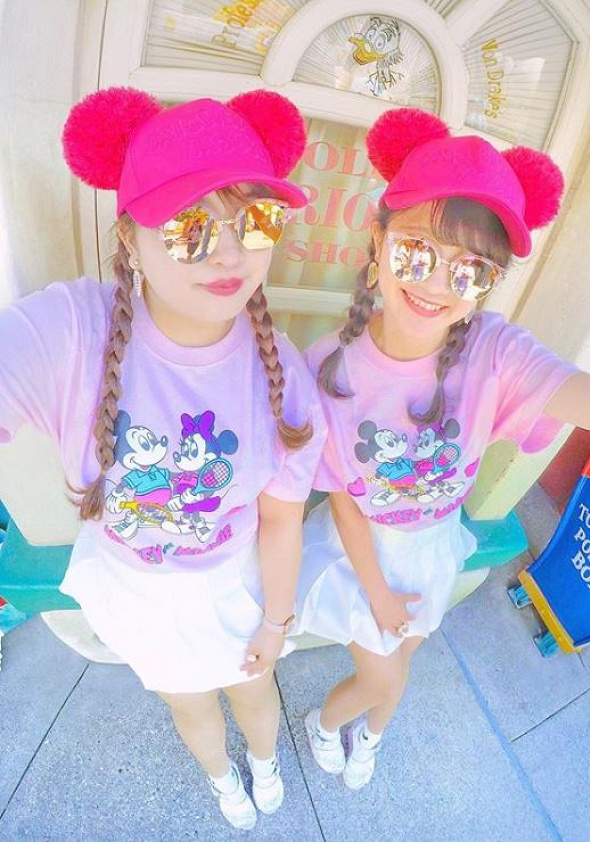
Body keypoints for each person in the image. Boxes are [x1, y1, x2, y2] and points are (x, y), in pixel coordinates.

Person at [297, 106, 590, 790]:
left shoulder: (494, 351)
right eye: (416, 252)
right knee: (381, 674)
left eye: (469, 271)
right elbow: (342, 499)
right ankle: (325, 725)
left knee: (403, 663)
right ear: (377, 240)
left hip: (434, 543)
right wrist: (378, 592)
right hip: (364, 554)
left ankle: (373, 736)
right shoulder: (327, 369)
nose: (434, 284)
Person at [0, 87, 326, 830]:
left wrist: (276, 623)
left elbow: (281, 520)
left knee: (255, 691)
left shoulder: (284, 374)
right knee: (190, 707)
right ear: (130, 235)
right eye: (188, 226)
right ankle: (223, 781)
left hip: (234, 583)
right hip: (135, 591)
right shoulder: (74, 333)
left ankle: (267, 762)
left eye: (256, 220)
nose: (229, 253)